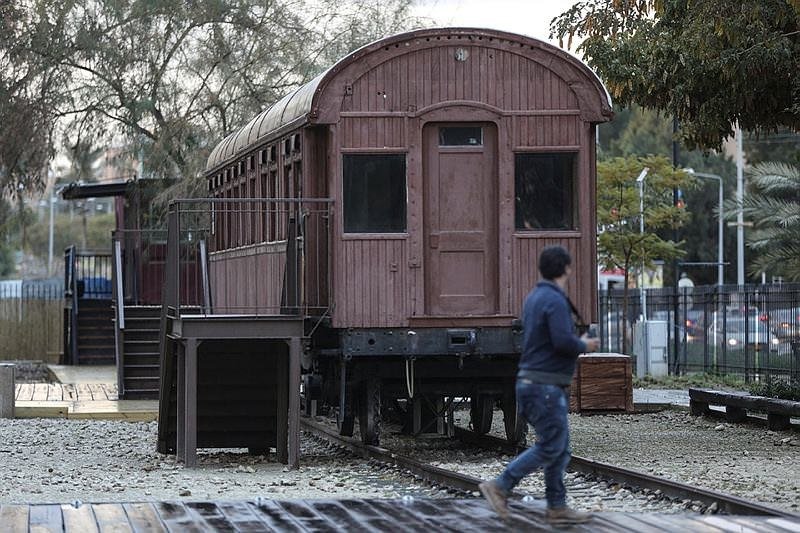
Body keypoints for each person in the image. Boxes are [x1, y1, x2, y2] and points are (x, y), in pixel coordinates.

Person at [478, 245, 600, 525]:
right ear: (566, 269)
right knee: (550, 445)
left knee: (560, 447)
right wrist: (585, 345)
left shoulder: (535, 297)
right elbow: (562, 341)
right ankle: (500, 485)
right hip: (544, 386)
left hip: (534, 383)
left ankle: (557, 507)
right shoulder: (554, 300)